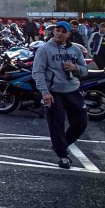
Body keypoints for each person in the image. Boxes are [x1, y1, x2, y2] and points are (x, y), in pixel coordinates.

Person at [32, 22, 90, 169]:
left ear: (69, 34)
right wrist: (45, 92)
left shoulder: (75, 49)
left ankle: (61, 144)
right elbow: (37, 72)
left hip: (72, 90)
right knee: (56, 124)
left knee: (81, 121)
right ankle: (62, 155)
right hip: (53, 92)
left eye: (63, 31)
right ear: (53, 32)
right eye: (57, 30)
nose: (59, 33)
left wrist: (75, 67)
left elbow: (85, 70)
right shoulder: (44, 49)